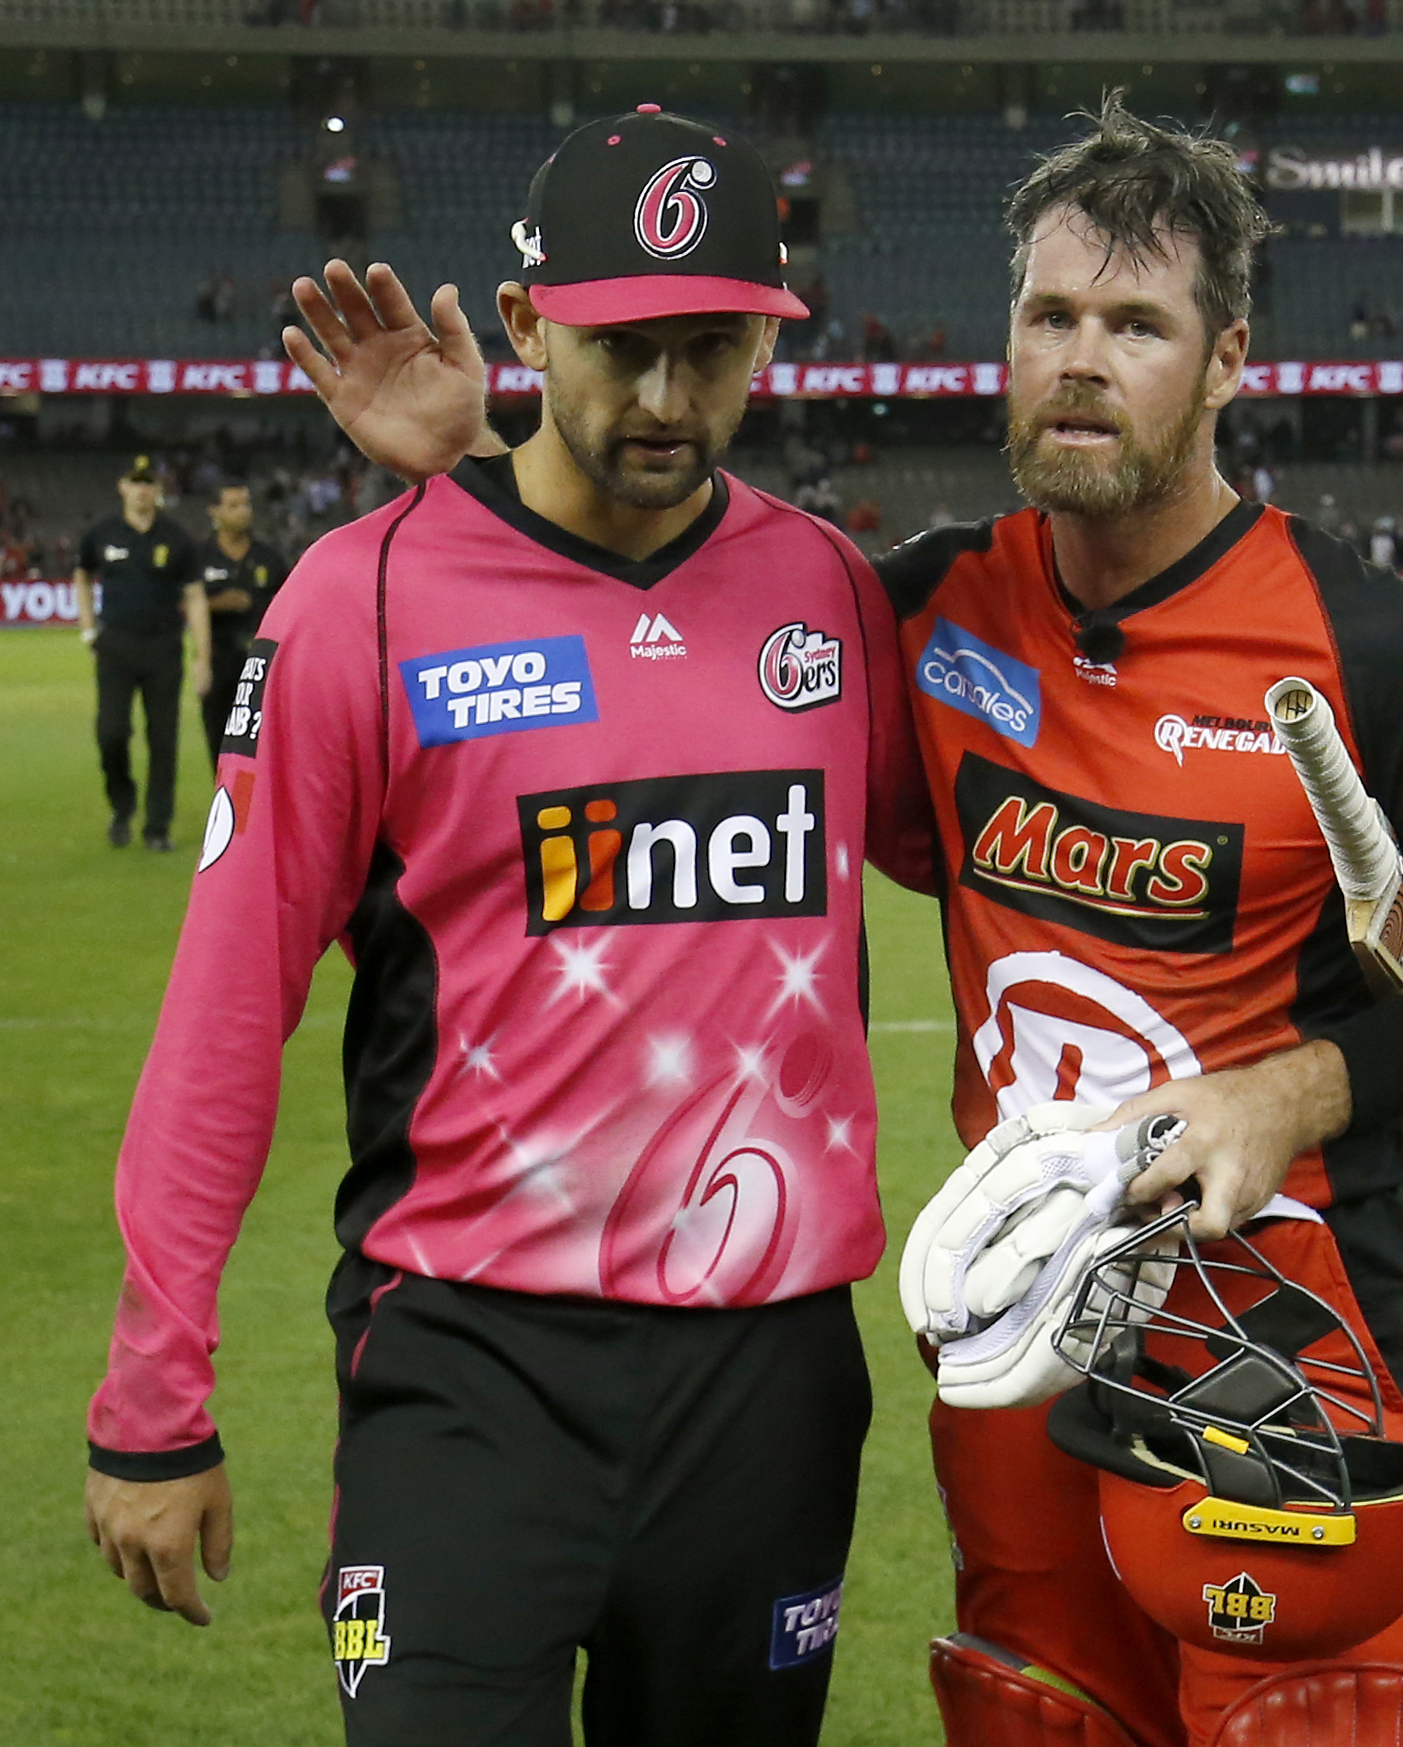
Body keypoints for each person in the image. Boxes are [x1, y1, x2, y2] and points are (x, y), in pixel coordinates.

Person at [321, 94, 1403, 1747]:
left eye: (1137, 324)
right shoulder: (918, 610)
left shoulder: (1376, 651)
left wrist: (1299, 1089)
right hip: (1023, 1336)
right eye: (1050, 315)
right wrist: (480, 471)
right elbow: (663, 641)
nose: (1081, 358)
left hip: (1297, 1338)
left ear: (1224, 360)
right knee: (1035, 1720)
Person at [80, 106, 929, 1747]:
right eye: (622, 349)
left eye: (714, 346)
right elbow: (222, 1012)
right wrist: (151, 1399)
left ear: (767, 333)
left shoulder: (828, 594)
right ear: (531, 325)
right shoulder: (360, 600)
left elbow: (994, 859)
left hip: (768, 1384)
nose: (670, 401)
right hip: (470, 1365)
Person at [72, 457, 208, 852]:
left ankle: (157, 826)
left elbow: (195, 596)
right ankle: (122, 803)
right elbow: (82, 575)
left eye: (149, 483)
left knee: (163, 739)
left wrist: (202, 654)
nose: (143, 490)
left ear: (157, 489)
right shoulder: (103, 534)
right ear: (123, 487)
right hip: (115, 645)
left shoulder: (177, 538)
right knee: (111, 733)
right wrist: (87, 629)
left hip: (163, 647)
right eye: (136, 482)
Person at [192, 482, 290, 766]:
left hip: (262, 658)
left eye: (245, 504)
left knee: (266, 738)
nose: (243, 512)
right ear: (215, 511)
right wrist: (219, 603)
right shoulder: (200, 556)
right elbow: (181, 603)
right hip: (219, 655)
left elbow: (289, 602)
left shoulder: (267, 557)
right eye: (233, 505)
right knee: (219, 736)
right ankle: (226, 801)